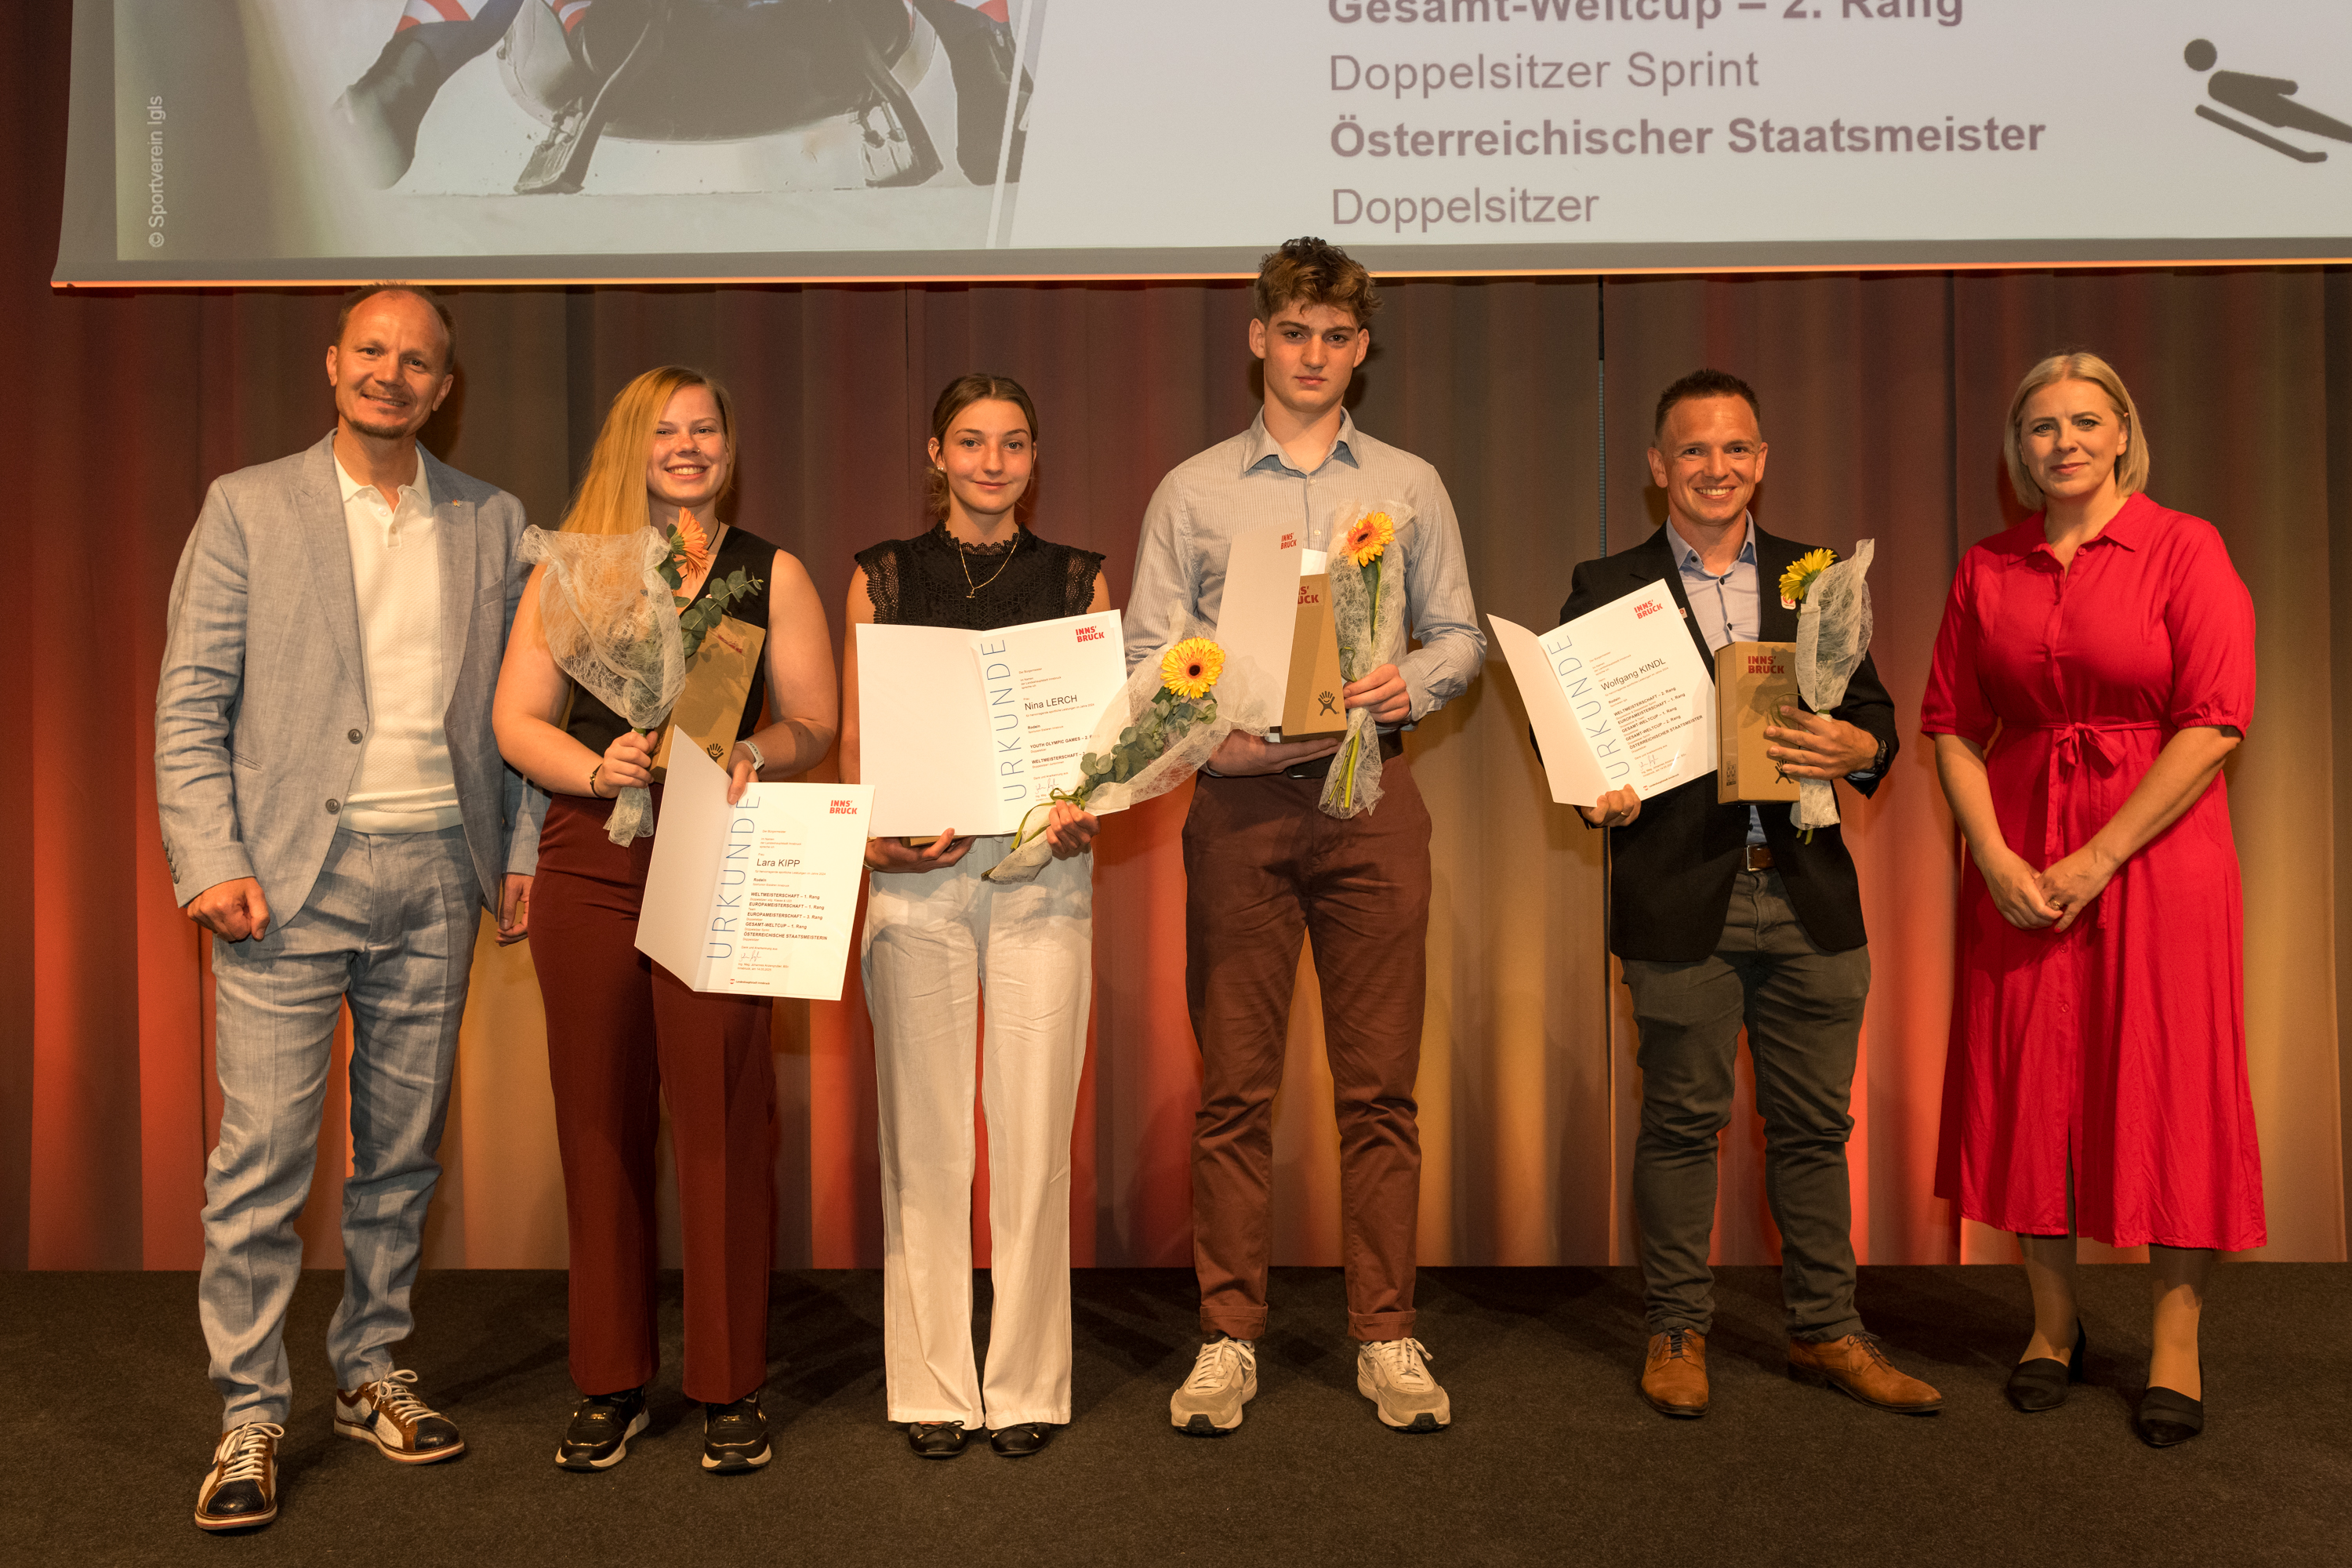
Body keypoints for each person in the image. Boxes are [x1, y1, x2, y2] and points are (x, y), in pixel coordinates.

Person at [158, 284, 539, 1532]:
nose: (391, 373)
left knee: (401, 1159)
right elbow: (191, 701)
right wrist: (209, 856)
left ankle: (371, 1369)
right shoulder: (246, 506)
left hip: (437, 873)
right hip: (281, 885)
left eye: (415, 360)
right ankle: (249, 1413)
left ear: (444, 387)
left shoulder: (493, 521)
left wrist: (521, 846)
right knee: (261, 1160)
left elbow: (529, 716)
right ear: (333, 365)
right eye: (371, 351)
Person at [1127, 238, 1485, 1436]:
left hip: (1371, 800)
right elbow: (1144, 660)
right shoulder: (1192, 491)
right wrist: (1203, 739)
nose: (1315, 355)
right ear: (1258, 339)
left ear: (1362, 348)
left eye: (1337, 336)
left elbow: (1462, 636)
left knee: (1380, 1090)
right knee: (1234, 1090)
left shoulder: (1412, 485)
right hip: (1234, 807)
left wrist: (1408, 687)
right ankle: (1230, 1336)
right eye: (1296, 333)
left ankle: (1385, 1332)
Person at [1565, 368, 1940, 1421]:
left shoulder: (1821, 577)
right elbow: (1585, 744)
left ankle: (1829, 1330)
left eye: (1736, 449)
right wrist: (1596, 794)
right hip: (1681, 894)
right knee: (1683, 1124)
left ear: (1762, 461)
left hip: (1812, 895)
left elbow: (1876, 722)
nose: (1716, 468)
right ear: (1657, 467)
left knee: (1817, 1126)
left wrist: (1856, 742)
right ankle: (1677, 1328)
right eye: (1693, 450)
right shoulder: (1606, 588)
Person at [492, 365, 838, 1474]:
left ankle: (731, 1382)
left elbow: (816, 723)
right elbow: (515, 722)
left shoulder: (768, 571)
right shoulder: (572, 568)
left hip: (716, 851)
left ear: (729, 449)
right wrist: (601, 768)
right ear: (631, 448)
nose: (687, 446)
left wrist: (754, 749)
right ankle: (610, 1377)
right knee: (598, 1121)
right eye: (666, 431)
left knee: (726, 1117)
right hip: (590, 860)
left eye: (706, 430)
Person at [1922, 352, 2259, 1447]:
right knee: (2032, 1084)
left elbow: (2213, 722)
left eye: (2083, 422)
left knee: (2167, 1083)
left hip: (2157, 855)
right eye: (2039, 427)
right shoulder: (1988, 566)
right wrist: (1994, 856)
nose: (2061, 442)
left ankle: (2174, 1346)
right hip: (2019, 861)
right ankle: (2051, 1328)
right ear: (2017, 450)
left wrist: (2101, 855)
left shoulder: (2185, 547)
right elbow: (1949, 727)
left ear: (2122, 434)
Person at [842, 373, 1106, 1460]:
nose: (991, 462)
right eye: (970, 442)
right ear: (935, 454)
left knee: (1036, 1135)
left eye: (1012, 444)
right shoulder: (881, 575)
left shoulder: (1080, 579)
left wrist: (1093, 806)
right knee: (926, 1141)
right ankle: (935, 1387)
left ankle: (1031, 1384)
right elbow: (858, 742)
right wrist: (870, 836)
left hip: (1042, 867)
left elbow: (1096, 746)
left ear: (1035, 458)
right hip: (916, 869)